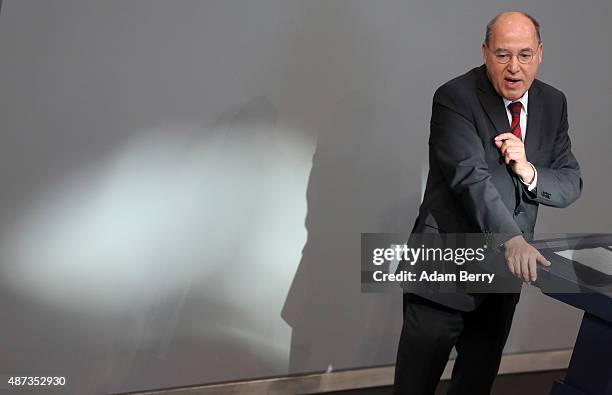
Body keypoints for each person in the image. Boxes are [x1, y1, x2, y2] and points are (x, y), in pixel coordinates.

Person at [393, 11, 582, 394]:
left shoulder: (553, 103)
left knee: (475, 386)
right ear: (485, 52)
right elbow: (469, 179)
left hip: (500, 279)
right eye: (503, 54)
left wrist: (528, 170)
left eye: (525, 55)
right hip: (443, 271)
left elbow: (569, 181)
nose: (514, 67)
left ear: (540, 54)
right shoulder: (454, 97)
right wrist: (512, 241)